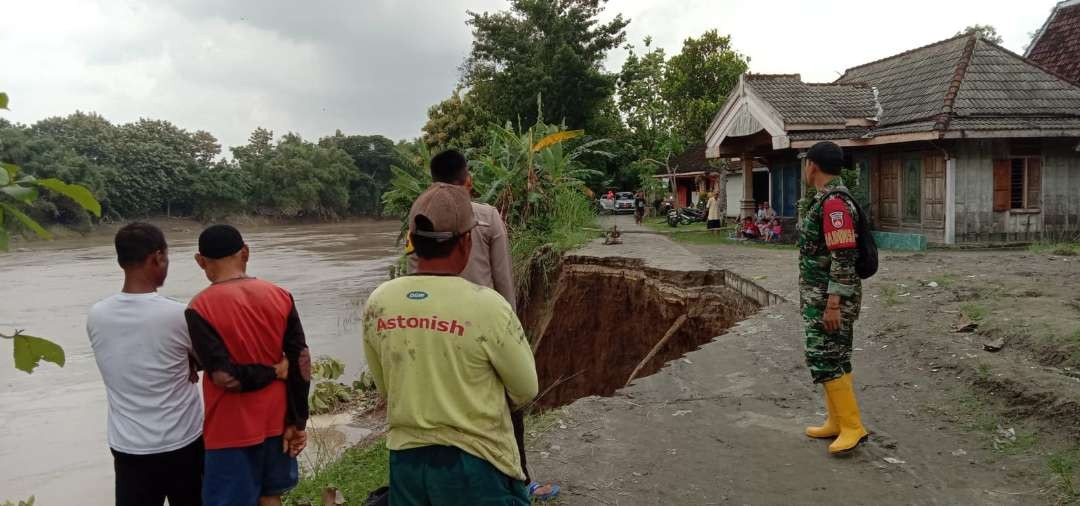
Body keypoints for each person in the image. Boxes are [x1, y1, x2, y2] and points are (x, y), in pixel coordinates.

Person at [364, 183, 539, 505]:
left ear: (413, 243)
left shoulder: (379, 301)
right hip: (478, 464)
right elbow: (526, 389)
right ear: (467, 242)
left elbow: (385, 386)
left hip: (406, 463)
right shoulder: (488, 306)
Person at [404, 149, 557, 500]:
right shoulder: (486, 216)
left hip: (430, 328)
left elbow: (414, 273)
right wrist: (512, 329)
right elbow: (503, 279)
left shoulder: (418, 216)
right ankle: (519, 481)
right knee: (507, 408)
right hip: (484, 325)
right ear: (467, 178)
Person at [186, 224, 312, 506]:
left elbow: (224, 377)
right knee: (271, 495)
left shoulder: (199, 307)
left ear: (200, 260)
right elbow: (301, 362)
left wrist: (268, 373)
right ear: (245, 252)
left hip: (230, 429)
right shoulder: (280, 295)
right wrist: (297, 420)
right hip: (277, 421)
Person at [87, 223, 205, 506]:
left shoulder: (96, 315)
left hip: (128, 447)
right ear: (157, 258)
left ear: (120, 261)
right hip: (183, 441)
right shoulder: (178, 314)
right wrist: (188, 361)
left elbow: (128, 358)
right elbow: (205, 360)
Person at [798, 141, 868, 455]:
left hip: (830, 300)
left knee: (826, 357)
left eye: (805, 163)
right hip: (824, 297)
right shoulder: (826, 200)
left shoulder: (834, 205)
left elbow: (843, 256)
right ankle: (837, 420)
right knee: (834, 357)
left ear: (812, 165)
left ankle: (853, 426)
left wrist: (833, 304)